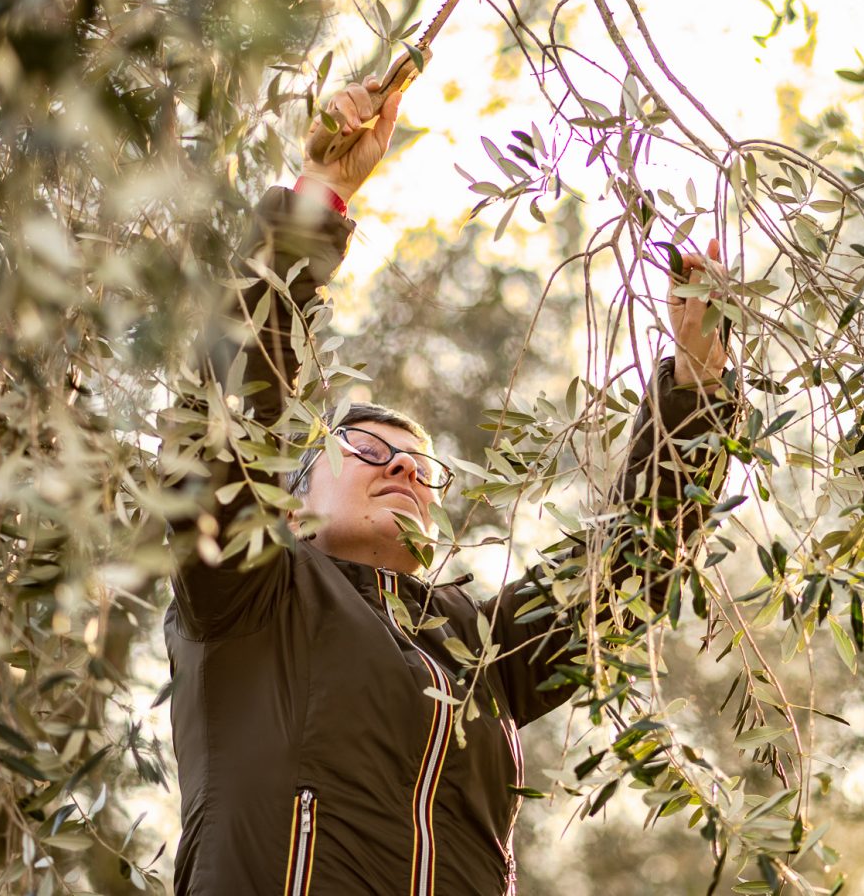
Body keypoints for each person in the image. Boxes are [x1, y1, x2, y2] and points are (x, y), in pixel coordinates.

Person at [162, 77, 734, 895]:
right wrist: (320, 196)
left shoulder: (481, 649)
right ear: (291, 500)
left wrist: (699, 380)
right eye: (366, 448)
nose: (402, 467)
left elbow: (634, 565)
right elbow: (226, 419)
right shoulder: (248, 598)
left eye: (423, 467)